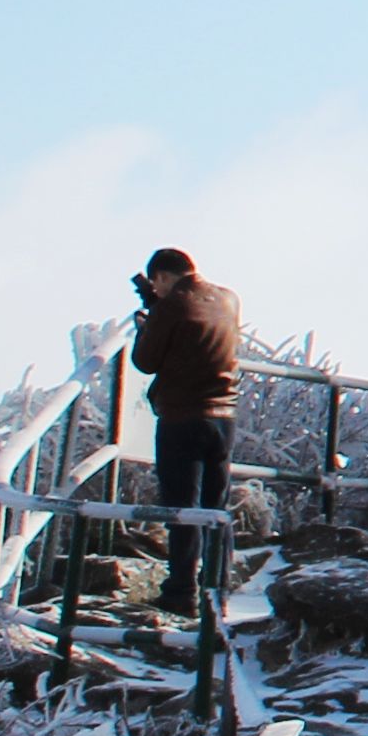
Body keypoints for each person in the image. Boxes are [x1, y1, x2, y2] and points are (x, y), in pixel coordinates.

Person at [129, 245, 246, 621]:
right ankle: (218, 589)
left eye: (157, 285)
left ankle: (182, 591)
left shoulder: (173, 304)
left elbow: (145, 361)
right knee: (216, 507)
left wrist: (148, 322)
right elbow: (197, 335)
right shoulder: (228, 299)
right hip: (224, 417)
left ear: (161, 276)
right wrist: (161, 306)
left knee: (182, 508)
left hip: (182, 418)